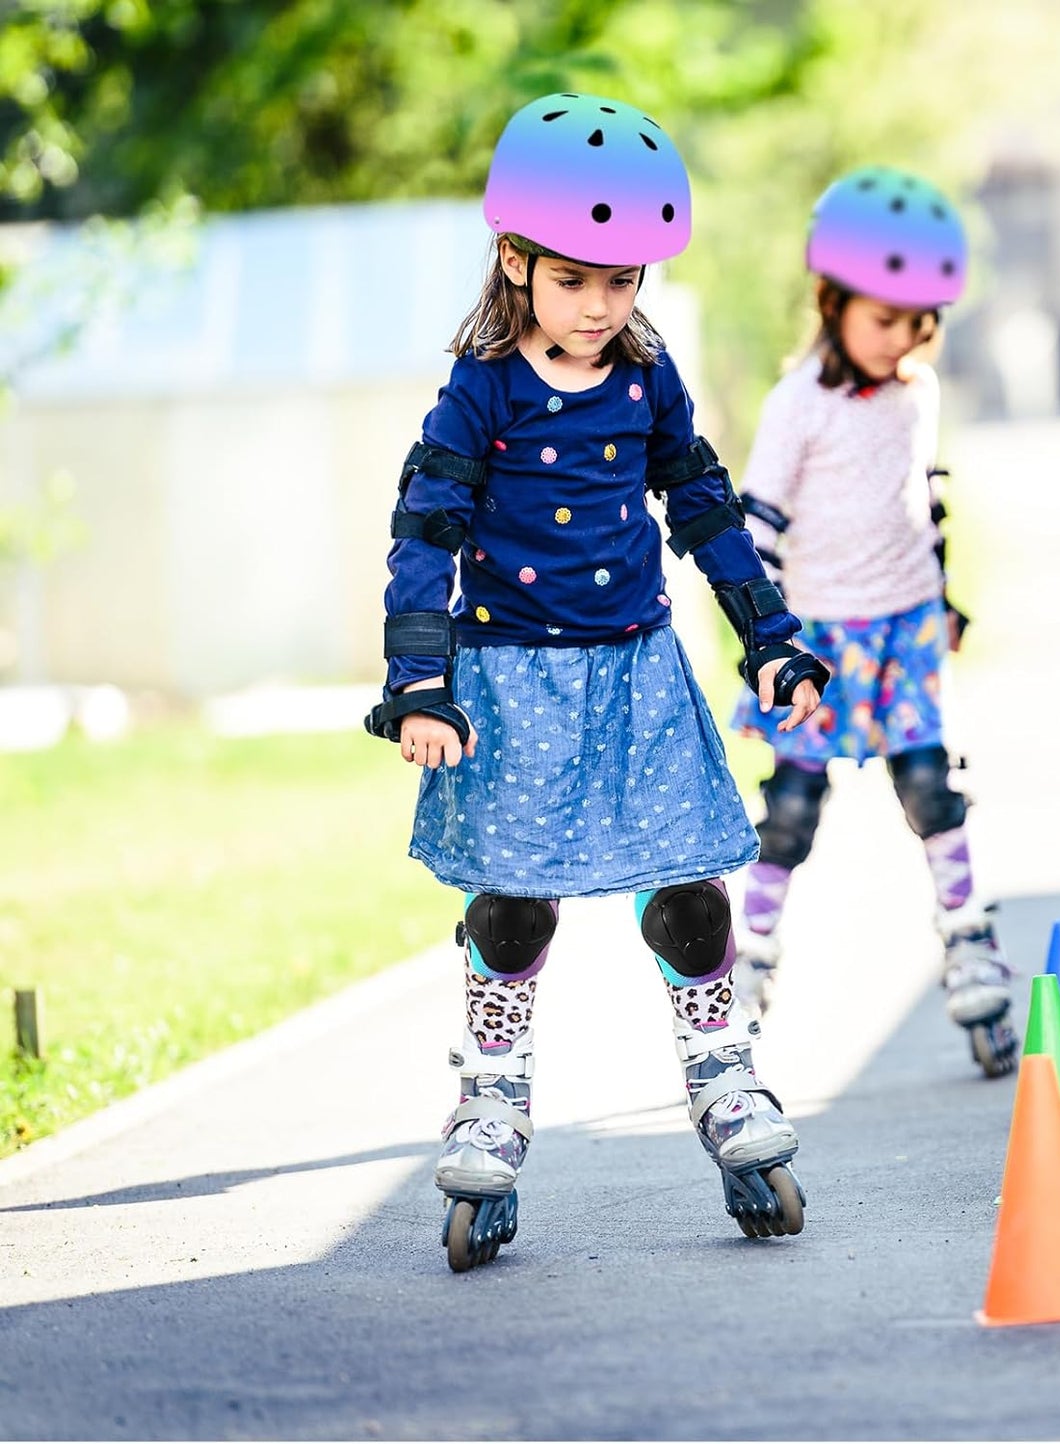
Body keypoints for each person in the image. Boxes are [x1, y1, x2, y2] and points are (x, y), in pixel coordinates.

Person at [365, 93, 829, 1269]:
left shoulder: (643, 373)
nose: (602, 306)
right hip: (510, 683)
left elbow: (704, 504)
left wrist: (767, 635)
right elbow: (424, 528)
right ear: (515, 261)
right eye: (577, 280)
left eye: (624, 282)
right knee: (513, 907)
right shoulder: (481, 389)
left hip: (635, 673)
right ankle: (492, 1096)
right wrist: (422, 681)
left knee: (686, 894)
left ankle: (724, 1079)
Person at [728, 165, 1018, 1078]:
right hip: (816, 638)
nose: (904, 341)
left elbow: (921, 498)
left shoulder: (916, 392)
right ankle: (747, 961)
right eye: (886, 320)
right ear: (830, 299)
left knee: (932, 789)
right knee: (791, 807)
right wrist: (764, 638)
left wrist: (945, 598)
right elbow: (756, 527)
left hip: (903, 632)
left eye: (920, 324)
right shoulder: (795, 405)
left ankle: (968, 943)